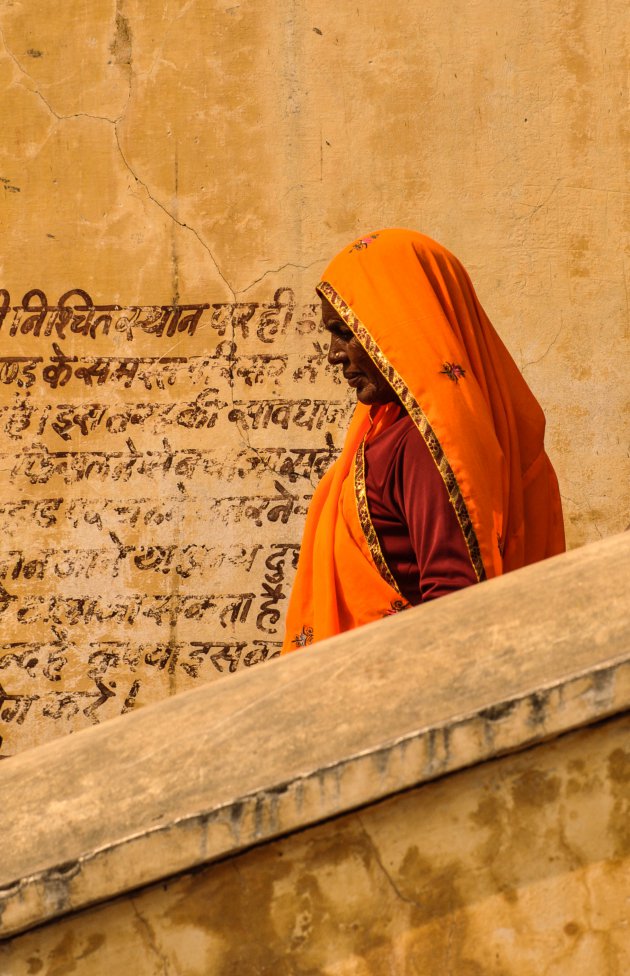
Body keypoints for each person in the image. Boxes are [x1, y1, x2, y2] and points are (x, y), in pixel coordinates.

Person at [282, 229, 565, 653]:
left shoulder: (424, 442)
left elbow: (454, 600)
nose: (333, 355)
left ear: (391, 324)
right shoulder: (387, 427)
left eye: (345, 332)